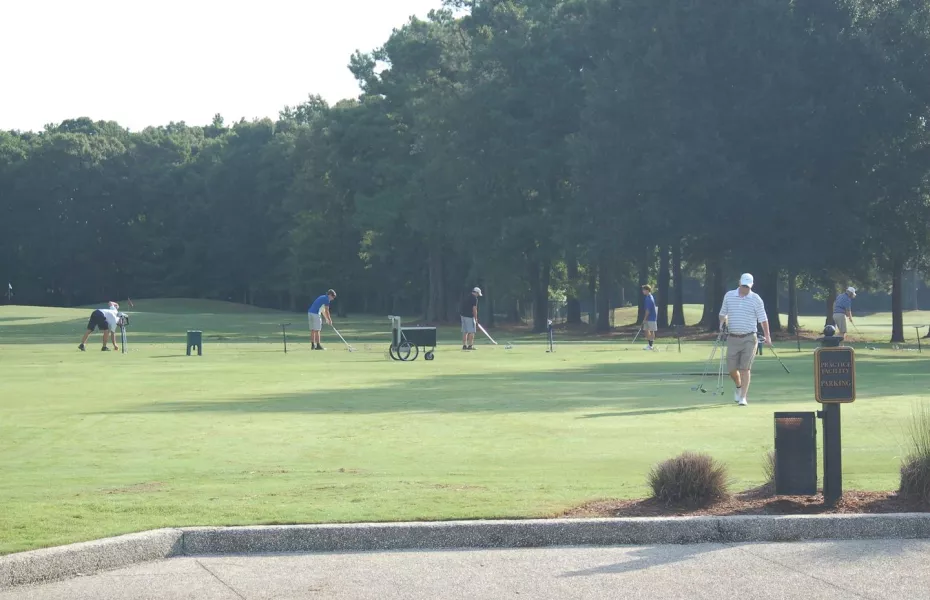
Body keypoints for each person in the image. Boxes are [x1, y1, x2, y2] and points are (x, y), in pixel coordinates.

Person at [719, 273, 773, 407]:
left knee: (745, 369)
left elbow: (763, 319)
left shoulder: (756, 299)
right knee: (732, 369)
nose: (745, 289)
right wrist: (722, 323)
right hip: (732, 337)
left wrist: (768, 336)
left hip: (749, 338)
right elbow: (722, 313)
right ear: (739, 283)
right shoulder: (729, 295)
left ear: (752, 285)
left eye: (748, 287)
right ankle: (738, 385)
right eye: (743, 286)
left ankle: (743, 397)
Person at [460, 287, 482, 351]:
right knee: (472, 331)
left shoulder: (467, 296)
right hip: (469, 316)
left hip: (463, 315)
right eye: (478, 294)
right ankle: (470, 346)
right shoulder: (474, 298)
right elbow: (474, 309)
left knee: (465, 331)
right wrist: (476, 318)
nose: (478, 295)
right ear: (476, 293)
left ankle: (464, 345)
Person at [641, 285, 658, 350]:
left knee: (651, 331)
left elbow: (648, 310)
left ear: (647, 290)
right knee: (646, 330)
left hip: (651, 317)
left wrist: (644, 319)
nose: (643, 291)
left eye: (644, 290)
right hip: (650, 317)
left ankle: (650, 346)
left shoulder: (649, 298)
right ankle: (649, 344)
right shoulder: (649, 297)